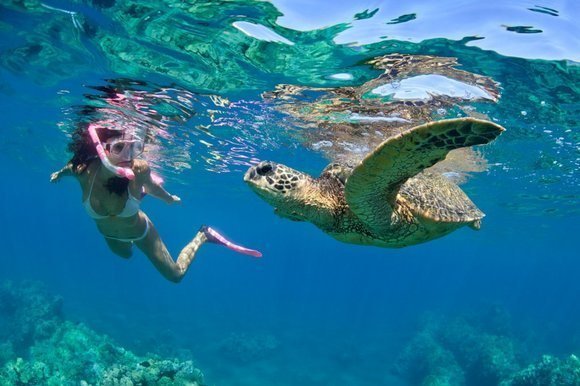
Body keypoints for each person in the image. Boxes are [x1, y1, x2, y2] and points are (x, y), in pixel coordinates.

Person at [50, 123, 261, 283]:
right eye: (119, 148)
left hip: (140, 231)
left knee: (175, 276)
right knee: (124, 254)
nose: (127, 155)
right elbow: (71, 168)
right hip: (109, 233)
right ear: (103, 150)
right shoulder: (84, 171)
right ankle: (137, 196)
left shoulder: (138, 169)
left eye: (132, 148)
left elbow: (153, 187)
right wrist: (59, 173)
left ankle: (203, 236)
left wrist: (168, 199)